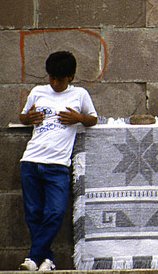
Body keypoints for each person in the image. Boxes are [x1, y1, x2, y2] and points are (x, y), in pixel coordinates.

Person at [18, 51, 98, 271]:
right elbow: (23, 116)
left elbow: (93, 118)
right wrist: (28, 118)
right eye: (51, 78)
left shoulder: (79, 94)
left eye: (60, 79)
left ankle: (34, 257)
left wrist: (78, 118)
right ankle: (46, 260)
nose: (54, 83)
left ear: (70, 77)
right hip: (31, 160)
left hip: (58, 166)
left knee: (55, 212)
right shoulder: (38, 92)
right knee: (33, 213)